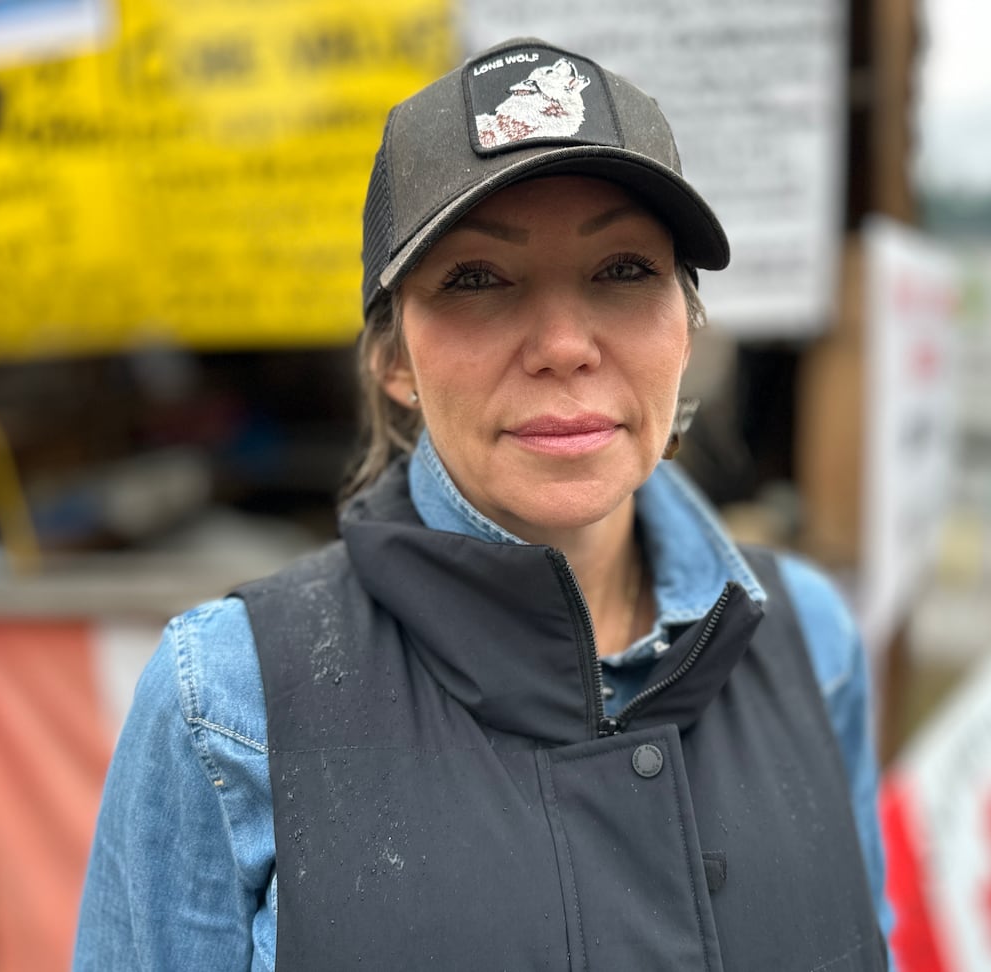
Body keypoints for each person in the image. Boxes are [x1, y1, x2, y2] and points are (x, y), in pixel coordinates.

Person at [75, 37, 895, 971]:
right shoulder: (227, 702)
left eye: (623, 269)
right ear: (393, 360)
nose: (562, 343)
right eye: (475, 280)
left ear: (687, 324)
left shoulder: (809, 642)